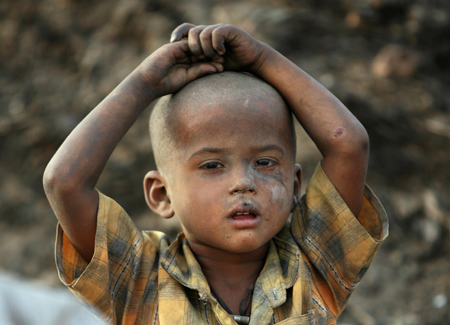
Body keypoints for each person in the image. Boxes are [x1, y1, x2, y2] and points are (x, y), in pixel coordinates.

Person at [43, 23, 388, 324]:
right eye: (212, 166)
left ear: (295, 184)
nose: (244, 183)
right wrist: (145, 83)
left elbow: (347, 144)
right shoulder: (138, 279)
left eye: (265, 163)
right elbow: (64, 182)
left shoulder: (314, 264)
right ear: (162, 195)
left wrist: (262, 60)